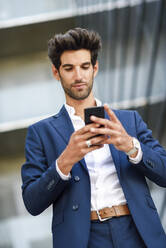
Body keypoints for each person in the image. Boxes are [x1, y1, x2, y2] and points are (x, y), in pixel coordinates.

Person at [21, 27, 166, 248]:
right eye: (69, 68)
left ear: (95, 68)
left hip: (137, 230)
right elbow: (32, 202)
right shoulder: (41, 133)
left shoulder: (128, 121)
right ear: (56, 72)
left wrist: (132, 147)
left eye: (84, 67)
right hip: (84, 238)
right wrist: (65, 161)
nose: (78, 76)